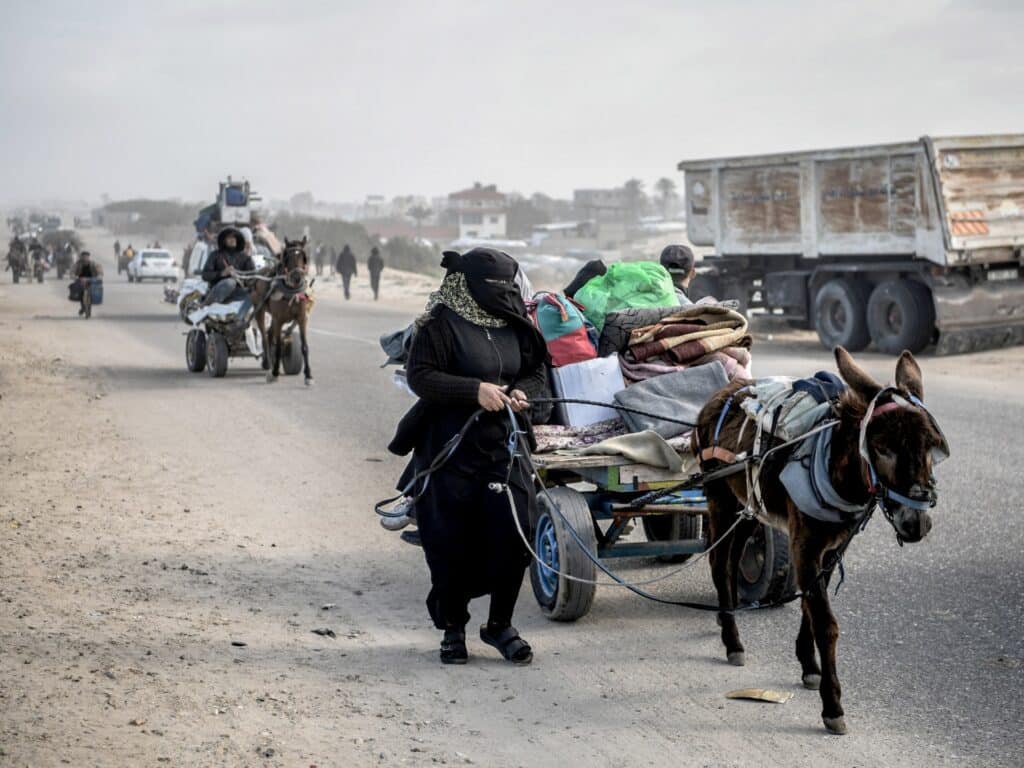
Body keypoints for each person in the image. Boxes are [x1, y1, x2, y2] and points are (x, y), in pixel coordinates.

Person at [393, 247, 549, 666]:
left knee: (514, 534)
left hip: (505, 446)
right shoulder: (441, 322)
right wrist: (473, 390)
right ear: (470, 284)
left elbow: (536, 372)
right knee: (449, 542)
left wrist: (522, 393)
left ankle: (500, 625)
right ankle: (453, 629)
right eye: (495, 287)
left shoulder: (516, 324)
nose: (504, 294)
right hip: (450, 448)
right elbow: (421, 375)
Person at [201, 228, 256, 318]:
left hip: (237, 293)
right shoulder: (215, 255)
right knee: (230, 282)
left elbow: (252, 277)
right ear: (223, 240)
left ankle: (239, 319)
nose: (233, 240)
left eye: (234, 238)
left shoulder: (245, 258)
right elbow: (205, 275)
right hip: (218, 291)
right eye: (229, 238)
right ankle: (207, 304)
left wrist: (243, 279)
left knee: (255, 294)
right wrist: (222, 273)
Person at [71, 251, 102, 318]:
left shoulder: (93, 263)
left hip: (91, 280)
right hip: (81, 280)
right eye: (84, 257)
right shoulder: (78, 264)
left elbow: (99, 271)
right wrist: (74, 276)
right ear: (81, 257)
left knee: (93, 292)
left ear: (88, 257)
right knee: (80, 293)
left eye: (86, 257)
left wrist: (99, 276)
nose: (85, 258)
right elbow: (72, 271)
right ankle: (83, 308)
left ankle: (88, 307)